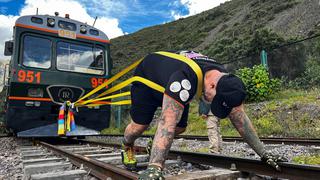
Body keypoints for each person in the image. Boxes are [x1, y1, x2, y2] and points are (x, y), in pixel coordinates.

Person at [121, 50, 287, 179]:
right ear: (213, 85)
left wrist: (264, 153)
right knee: (140, 126)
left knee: (180, 127)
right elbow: (166, 122)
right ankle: (127, 145)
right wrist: (155, 167)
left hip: (171, 81)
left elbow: (240, 119)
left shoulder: (225, 80)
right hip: (148, 80)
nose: (210, 104)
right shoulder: (184, 79)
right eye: (214, 101)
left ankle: (155, 144)